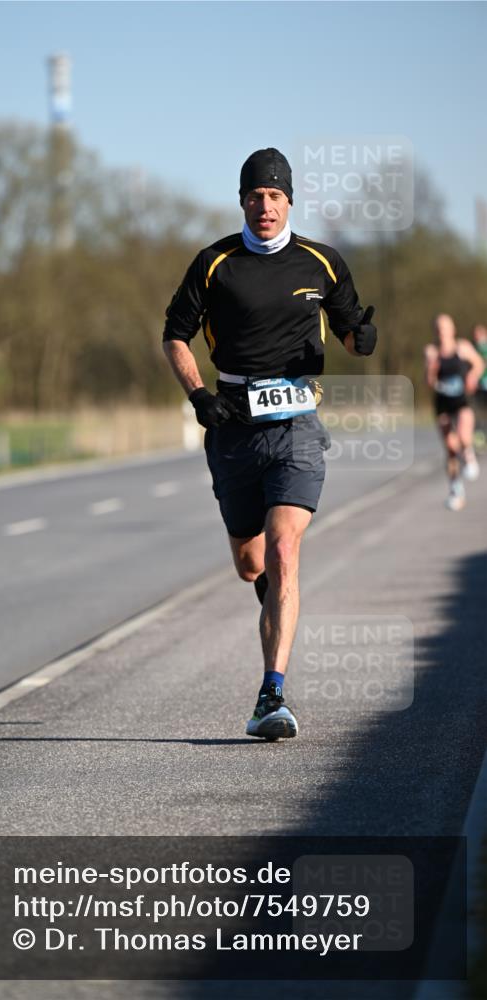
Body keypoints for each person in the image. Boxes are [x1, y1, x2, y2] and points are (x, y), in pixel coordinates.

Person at [162, 148, 377, 741]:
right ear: (242, 201)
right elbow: (174, 336)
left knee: (284, 551)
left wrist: (363, 336)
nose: (265, 206)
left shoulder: (322, 263)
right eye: (255, 196)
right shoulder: (213, 264)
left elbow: (354, 334)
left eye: (275, 196)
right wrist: (199, 395)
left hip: (297, 426)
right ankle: (275, 601)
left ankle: (271, 695)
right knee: (251, 563)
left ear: (289, 202)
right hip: (231, 423)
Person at [424, 314, 484, 511]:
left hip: (461, 400)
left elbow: (479, 363)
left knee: (465, 436)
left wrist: (473, 376)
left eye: (445, 327)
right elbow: (429, 384)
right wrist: (432, 371)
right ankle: (455, 489)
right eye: (438, 328)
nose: (442, 332)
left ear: (452, 329)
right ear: (435, 331)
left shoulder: (463, 347)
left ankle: (467, 453)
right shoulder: (431, 352)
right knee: (450, 448)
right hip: (442, 403)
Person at [471, 323, 487, 447]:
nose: (477, 336)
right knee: (477, 413)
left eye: (479, 333)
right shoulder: (472, 349)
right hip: (479, 387)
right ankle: (480, 438)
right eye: (475, 334)